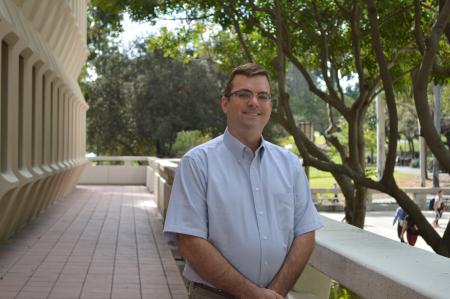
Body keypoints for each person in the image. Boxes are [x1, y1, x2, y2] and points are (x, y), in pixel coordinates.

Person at [163, 63, 323, 299]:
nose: (254, 102)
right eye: (244, 94)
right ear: (225, 103)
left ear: (270, 105)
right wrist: (253, 295)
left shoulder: (289, 164)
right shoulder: (197, 163)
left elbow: (305, 233)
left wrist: (273, 292)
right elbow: (190, 241)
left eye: (263, 96)